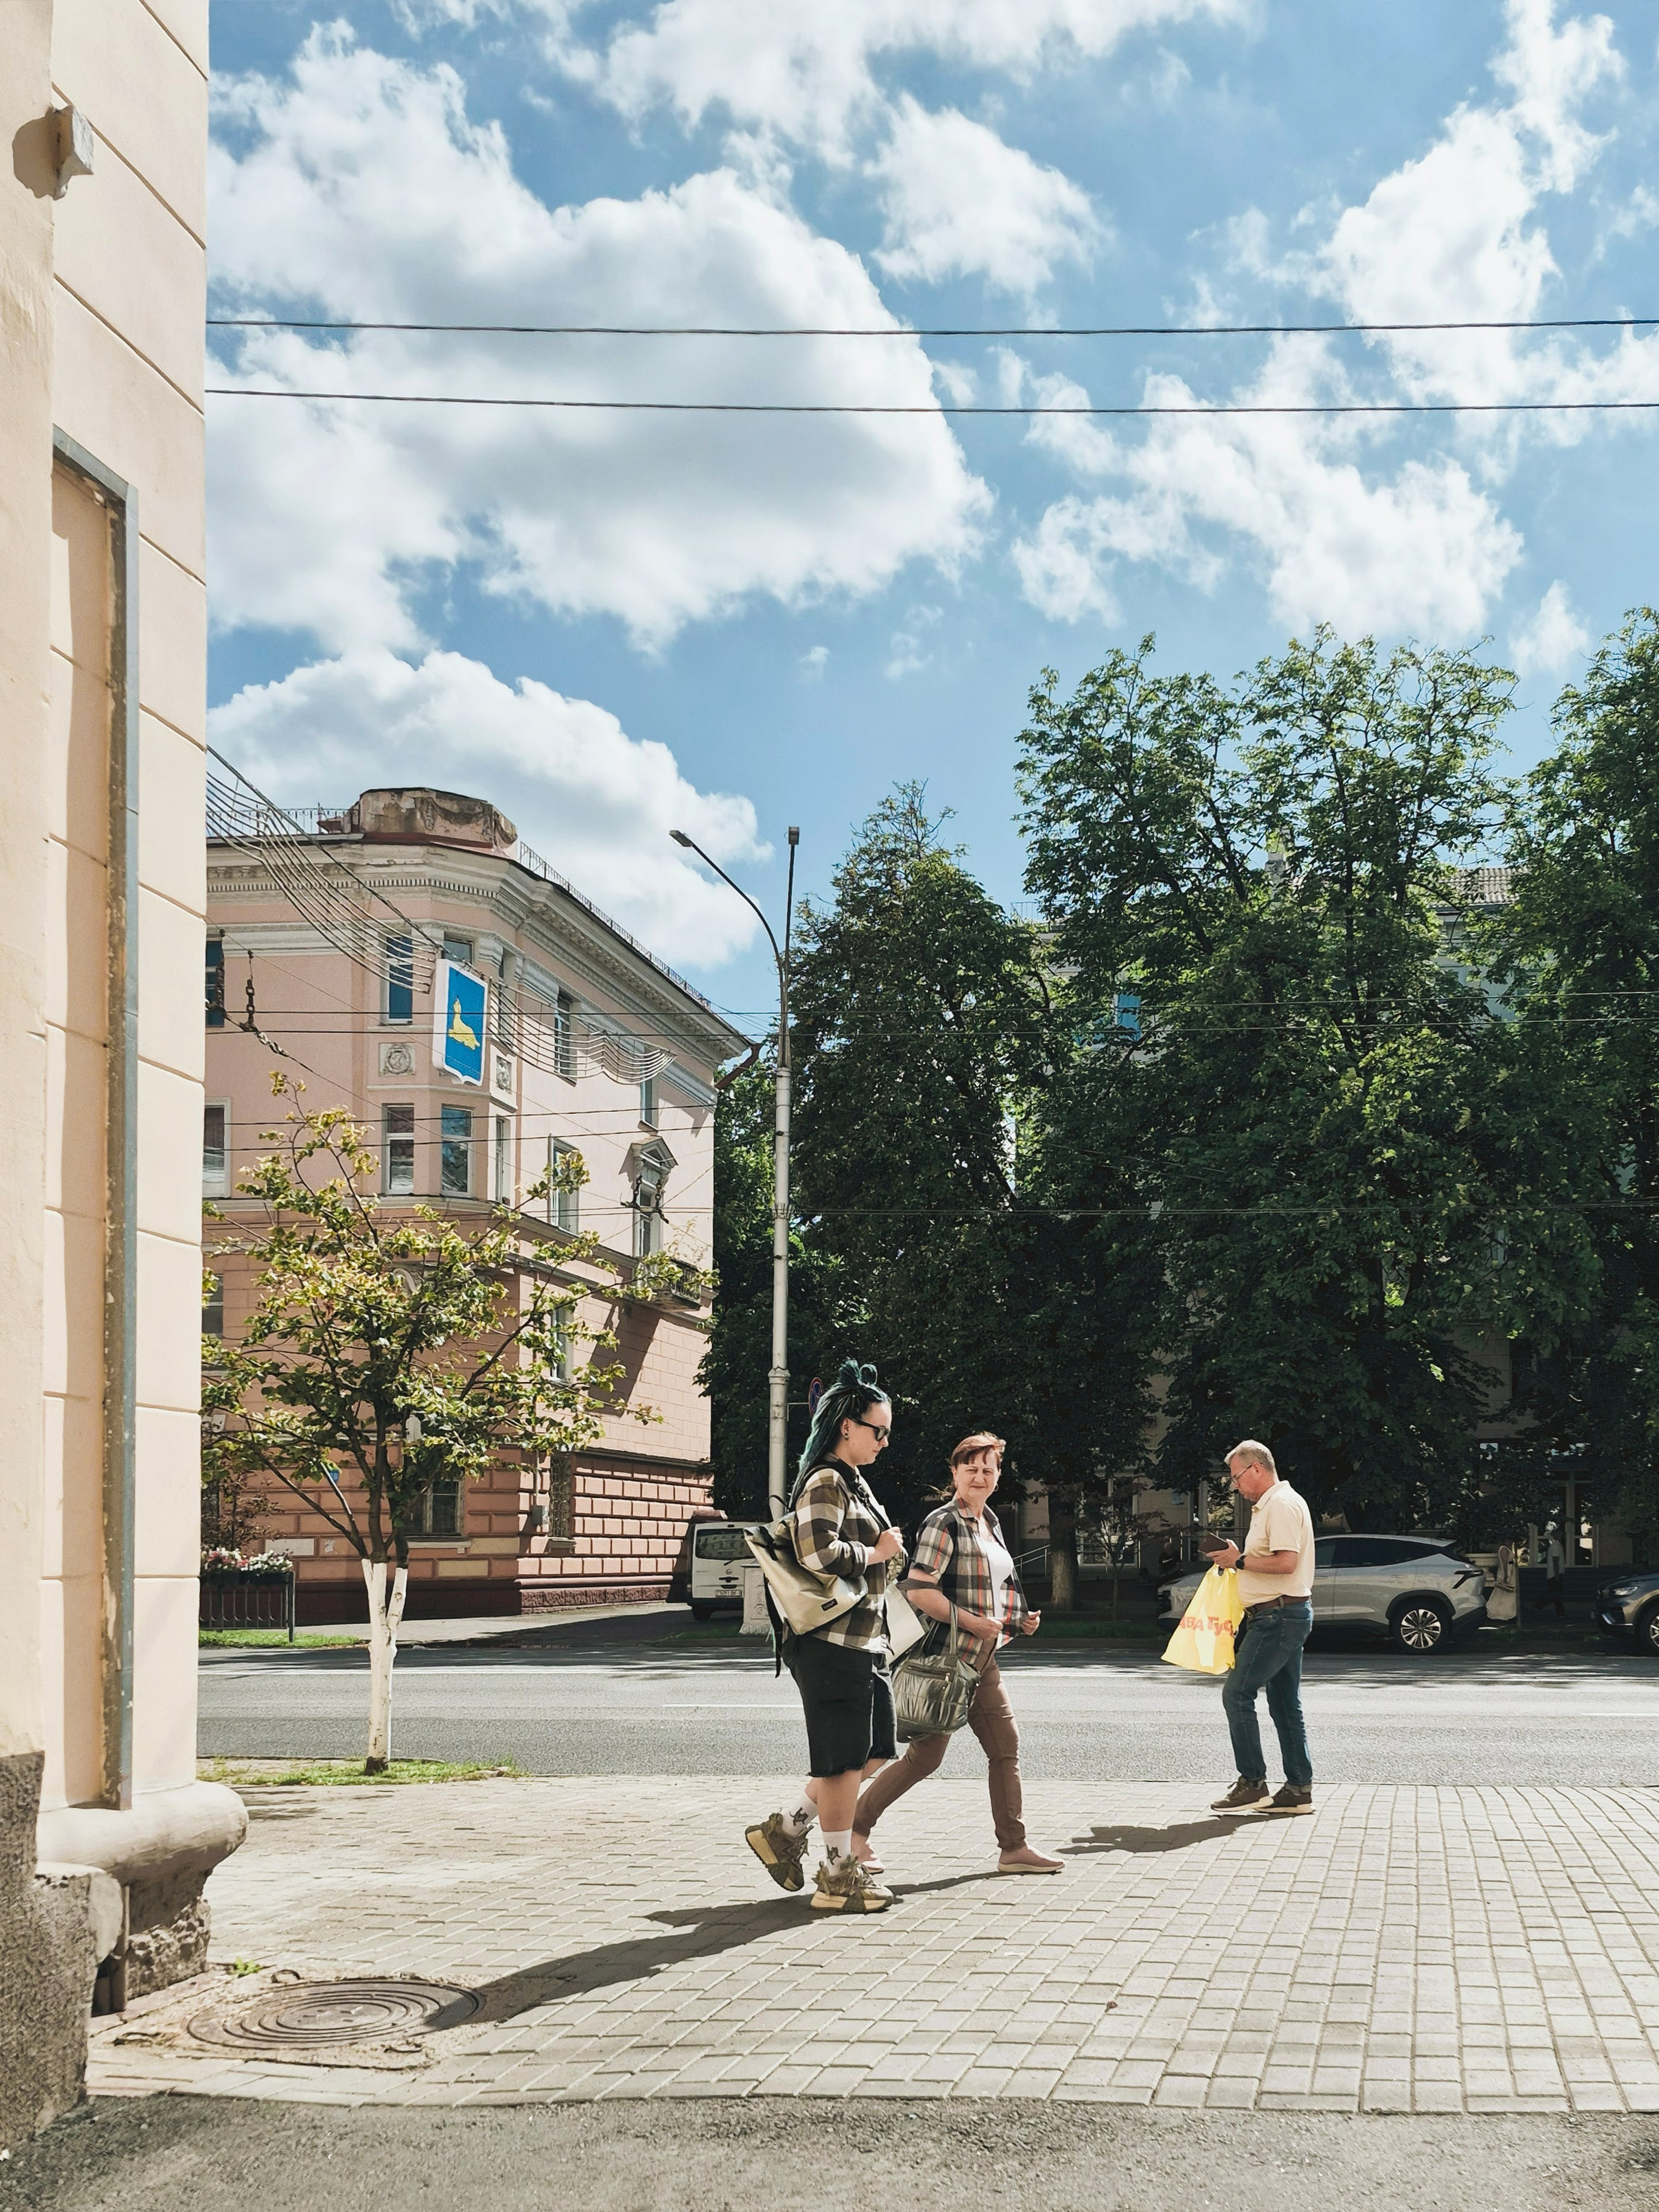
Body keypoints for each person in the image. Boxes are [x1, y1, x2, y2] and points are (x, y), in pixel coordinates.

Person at [852, 1433, 1063, 1876]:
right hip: (948, 1661)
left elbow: (995, 1583)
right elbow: (919, 1588)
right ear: (955, 1473)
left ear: (998, 1475)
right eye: (971, 1468)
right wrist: (971, 1621)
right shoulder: (943, 1522)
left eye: (989, 1469)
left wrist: (1019, 1618)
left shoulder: (989, 1520)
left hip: (983, 1659)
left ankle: (1014, 1847)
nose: (980, 1476)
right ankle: (853, 1829)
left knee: (1006, 1747)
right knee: (925, 1758)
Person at [744, 1362, 906, 1913]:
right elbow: (818, 1552)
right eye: (877, 1430)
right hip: (831, 1641)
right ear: (846, 1426)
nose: (885, 1440)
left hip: (864, 1641)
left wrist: (889, 1557)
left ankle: (785, 1831)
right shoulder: (826, 1479)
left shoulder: (854, 1481)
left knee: (873, 1751)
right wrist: (878, 1553)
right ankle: (838, 1876)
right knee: (840, 1762)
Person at [1208, 1439, 1316, 1815]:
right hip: (1284, 1614)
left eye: (1237, 1477)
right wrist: (1240, 1558)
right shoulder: (1273, 1505)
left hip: (1277, 1617)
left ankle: (1252, 1783)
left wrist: (1239, 1562)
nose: (1235, 1486)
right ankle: (1298, 1789)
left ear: (1257, 1469)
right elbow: (1271, 1560)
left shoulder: (1281, 1505)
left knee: (1237, 1695)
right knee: (1286, 1705)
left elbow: (1286, 1563)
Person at [1531, 1526, 1566, 1616]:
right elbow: (1556, 1560)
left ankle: (1559, 1612)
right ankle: (1539, 1605)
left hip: (1555, 1574)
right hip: (1555, 1575)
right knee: (1555, 1595)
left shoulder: (1557, 1545)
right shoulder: (1556, 1546)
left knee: (1555, 1595)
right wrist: (1557, 1574)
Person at [1487, 1541, 1520, 1627]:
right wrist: (1506, 1575)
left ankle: (1508, 1613)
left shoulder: (1508, 1549)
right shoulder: (1504, 1549)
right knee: (1503, 1593)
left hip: (1511, 1572)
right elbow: (1504, 1563)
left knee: (1508, 1594)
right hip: (1507, 1572)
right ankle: (1498, 1613)